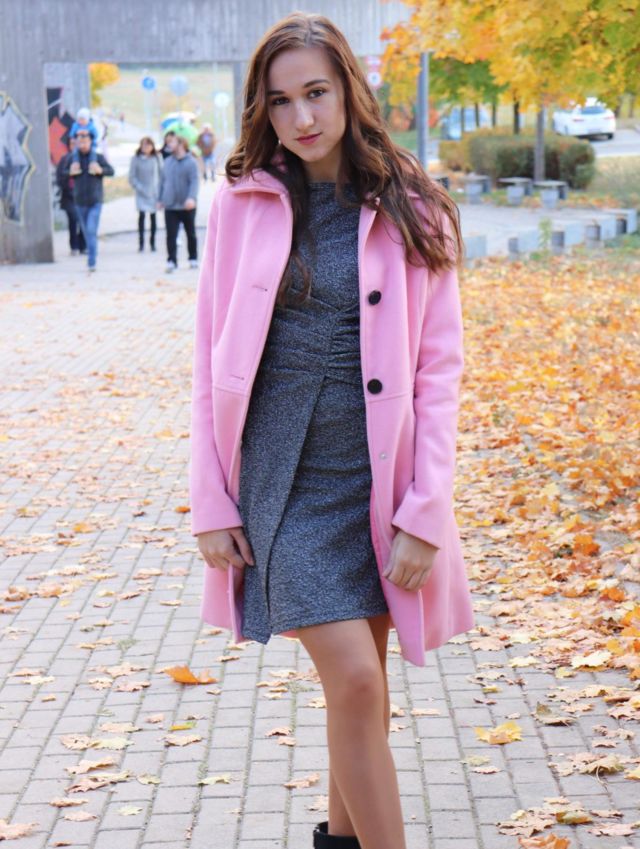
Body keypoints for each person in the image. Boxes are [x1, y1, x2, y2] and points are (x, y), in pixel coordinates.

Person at [189, 12, 476, 849]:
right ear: (263, 110)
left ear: (350, 89)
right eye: (281, 101)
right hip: (280, 485)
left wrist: (425, 509)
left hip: (375, 484)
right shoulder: (241, 203)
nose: (302, 116)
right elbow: (209, 357)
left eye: (316, 92)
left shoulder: (414, 206)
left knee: (363, 691)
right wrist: (210, 499)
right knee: (353, 680)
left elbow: (439, 374)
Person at [60, 128, 114, 272]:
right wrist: (70, 172)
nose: (83, 144)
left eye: (85, 141)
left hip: (95, 200)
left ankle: (92, 261)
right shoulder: (72, 159)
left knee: (91, 230)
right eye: (80, 141)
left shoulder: (97, 158)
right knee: (86, 232)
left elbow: (111, 171)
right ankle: (91, 256)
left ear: (90, 142)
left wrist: (100, 170)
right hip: (79, 201)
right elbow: (63, 173)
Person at [157, 134, 199, 272]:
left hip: (187, 205)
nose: (169, 145)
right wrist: (160, 199)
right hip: (170, 205)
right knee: (171, 235)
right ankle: (171, 261)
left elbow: (194, 182)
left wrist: (191, 198)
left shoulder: (191, 162)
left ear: (181, 144)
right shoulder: (167, 162)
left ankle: (193, 258)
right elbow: (162, 182)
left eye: (172, 142)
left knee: (190, 233)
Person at [128, 136, 162, 251]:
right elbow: (132, 177)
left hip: (154, 193)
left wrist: (160, 192)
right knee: (141, 216)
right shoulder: (136, 159)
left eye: (148, 145)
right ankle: (141, 243)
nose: (146, 147)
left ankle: (152, 243)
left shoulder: (157, 158)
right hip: (141, 192)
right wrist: (140, 187)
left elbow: (162, 175)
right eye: (144, 145)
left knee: (153, 217)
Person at [55, 137, 86, 256]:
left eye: (77, 144)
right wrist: (70, 174)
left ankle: (83, 245)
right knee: (73, 220)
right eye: (72, 144)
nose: (75, 146)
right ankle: (74, 246)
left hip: (83, 196)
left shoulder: (86, 158)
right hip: (69, 196)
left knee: (83, 221)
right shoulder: (65, 159)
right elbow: (60, 176)